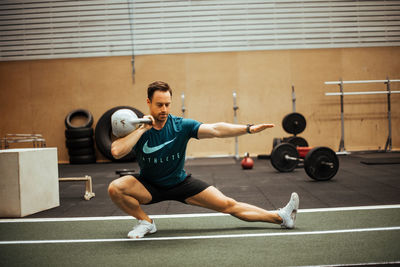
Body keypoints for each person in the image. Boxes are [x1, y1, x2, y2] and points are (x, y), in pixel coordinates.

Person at [108, 81, 299, 239]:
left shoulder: (180, 126)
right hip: (149, 185)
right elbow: (116, 151)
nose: (164, 109)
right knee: (116, 187)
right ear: (149, 102)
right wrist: (142, 129)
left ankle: (281, 217)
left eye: (167, 104)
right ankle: (146, 223)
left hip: (179, 182)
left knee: (228, 204)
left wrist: (247, 128)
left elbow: (216, 129)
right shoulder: (138, 128)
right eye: (159, 105)